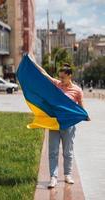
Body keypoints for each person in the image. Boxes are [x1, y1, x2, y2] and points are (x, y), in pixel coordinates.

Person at [29, 55, 90, 188]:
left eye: (63, 77)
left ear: (70, 76)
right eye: (60, 77)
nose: (60, 80)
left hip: (68, 126)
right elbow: (45, 74)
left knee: (68, 151)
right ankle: (53, 177)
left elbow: (80, 106)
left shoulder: (77, 90)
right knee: (53, 151)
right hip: (54, 123)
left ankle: (67, 175)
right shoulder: (57, 84)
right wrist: (33, 63)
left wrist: (85, 115)